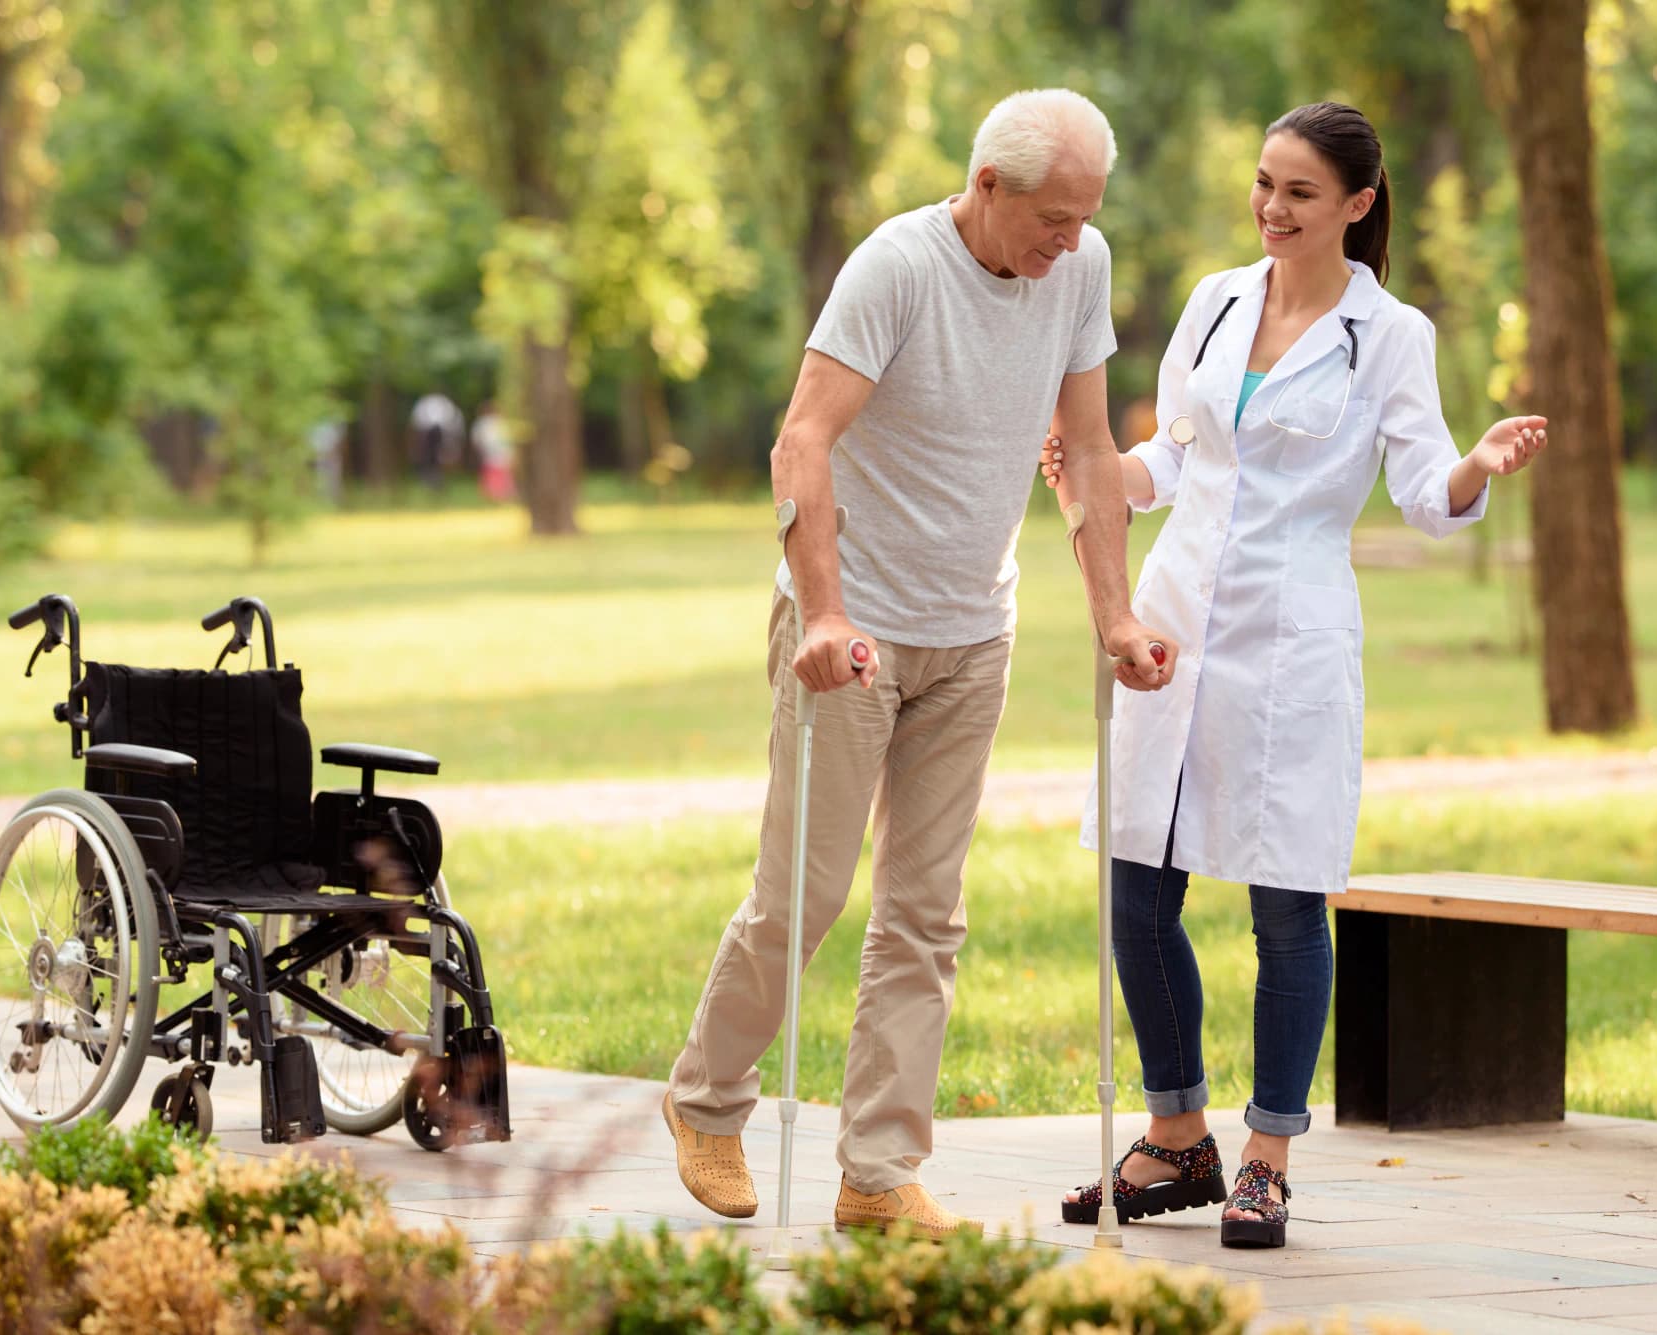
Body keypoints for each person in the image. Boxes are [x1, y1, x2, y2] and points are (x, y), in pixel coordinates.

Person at [663, 88, 1177, 1240]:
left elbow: (1088, 453)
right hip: (852, 632)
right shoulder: (893, 268)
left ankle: (877, 1172)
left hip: (972, 630)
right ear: (986, 186)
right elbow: (802, 438)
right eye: (1051, 217)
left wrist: (1114, 617)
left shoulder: (1075, 267)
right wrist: (824, 616)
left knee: (925, 914)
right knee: (806, 893)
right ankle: (705, 1098)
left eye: (1084, 217)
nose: (1068, 241)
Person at [1041, 102, 1547, 1249]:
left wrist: (1473, 463)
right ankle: (1175, 1138)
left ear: (1357, 206)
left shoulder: (1389, 335)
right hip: (1171, 622)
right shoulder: (1216, 300)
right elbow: (1170, 453)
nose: (1271, 209)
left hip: (1292, 637)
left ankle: (1266, 1156)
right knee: (1135, 888)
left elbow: (1425, 495)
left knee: (1284, 901)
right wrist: (1098, 468)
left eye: (1299, 193)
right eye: (1263, 184)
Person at [408, 391, 465, 489]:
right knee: (432, 459)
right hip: (433, 432)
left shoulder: (428, 402)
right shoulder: (444, 403)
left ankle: (436, 481)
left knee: (437, 459)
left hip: (435, 432)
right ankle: (433, 480)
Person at [470, 401, 516, 502]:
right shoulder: (499, 422)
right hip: (499, 453)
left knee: (493, 472)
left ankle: (494, 492)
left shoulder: (483, 423)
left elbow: (477, 440)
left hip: (492, 453)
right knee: (499, 472)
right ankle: (500, 492)